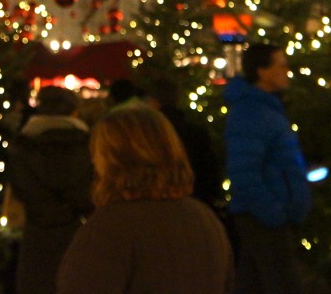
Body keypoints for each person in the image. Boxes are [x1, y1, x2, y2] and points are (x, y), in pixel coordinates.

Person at [57, 106, 233, 294]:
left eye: (97, 151)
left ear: (115, 159)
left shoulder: (108, 229)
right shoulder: (205, 220)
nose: (93, 160)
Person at [223, 43, 311, 294]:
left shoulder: (264, 110)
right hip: (263, 218)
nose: (287, 71)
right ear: (262, 72)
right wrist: (273, 212)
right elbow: (243, 172)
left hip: (264, 216)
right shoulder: (252, 113)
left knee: (253, 283)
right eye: (280, 65)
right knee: (281, 283)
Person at [7, 86, 93, 294]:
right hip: (77, 232)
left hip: (37, 233)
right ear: (72, 110)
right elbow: (89, 192)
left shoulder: (23, 145)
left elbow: (20, 188)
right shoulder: (87, 144)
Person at [147, 74, 223, 207]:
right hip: (196, 205)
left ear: (153, 101)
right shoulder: (197, 134)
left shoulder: (147, 137)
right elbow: (211, 177)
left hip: (158, 207)